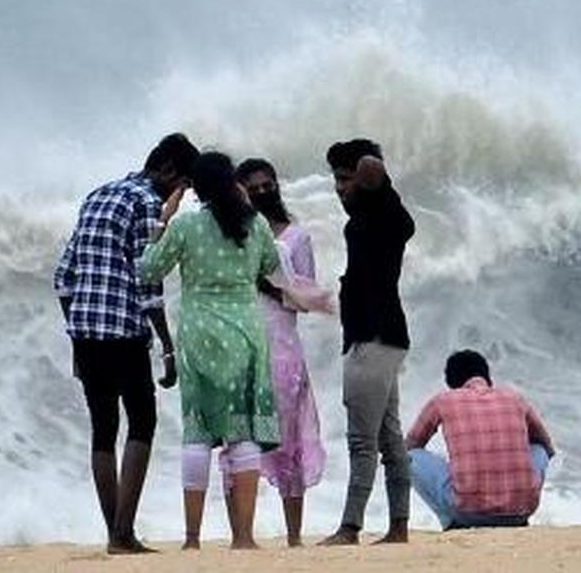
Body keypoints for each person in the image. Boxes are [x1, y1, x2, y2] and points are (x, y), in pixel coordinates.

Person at [53, 132, 199, 554]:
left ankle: (113, 533)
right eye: (183, 184)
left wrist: (77, 334)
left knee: (103, 431)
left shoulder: (96, 195)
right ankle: (124, 533)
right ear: (169, 169)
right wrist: (168, 347)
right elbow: (148, 281)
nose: (182, 193)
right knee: (142, 423)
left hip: (85, 333)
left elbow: (63, 278)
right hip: (124, 331)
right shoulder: (147, 204)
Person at [139, 151, 281, 551]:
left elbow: (149, 269)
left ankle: (192, 539)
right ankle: (244, 537)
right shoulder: (254, 225)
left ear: (197, 189)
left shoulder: (185, 226)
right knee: (243, 431)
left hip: (199, 331)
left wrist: (162, 222)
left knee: (198, 431)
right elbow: (269, 265)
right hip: (246, 332)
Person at [319, 139, 416, 547]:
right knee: (390, 439)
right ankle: (398, 526)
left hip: (373, 340)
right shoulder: (365, 217)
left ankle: (350, 528)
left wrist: (362, 167)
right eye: (336, 181)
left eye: (345, 179)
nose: (340, 188)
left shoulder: (382, 209)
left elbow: (373, 168)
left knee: (363, 440)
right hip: (384, 337)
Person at [234, 158, 330, 547]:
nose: (261, 192)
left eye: (267, 184)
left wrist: (271, 285)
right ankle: (244, 535)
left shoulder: (297, 237)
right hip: (240, 346)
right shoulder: (234, 235)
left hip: (283, 351)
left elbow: (306, 299)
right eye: (253, 186)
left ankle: (294, 537)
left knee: (289, 443)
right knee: (241, 443)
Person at [406, 350, 555, 529]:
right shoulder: (515, 398)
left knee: (409, 457)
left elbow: (412, 444)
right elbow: (546, 445)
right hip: (521, 512)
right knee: (538, 449)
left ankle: (450, 522)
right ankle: (518, 501)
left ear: (451, 381)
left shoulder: (443, 401)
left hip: (468, 513)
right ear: (486, 375)